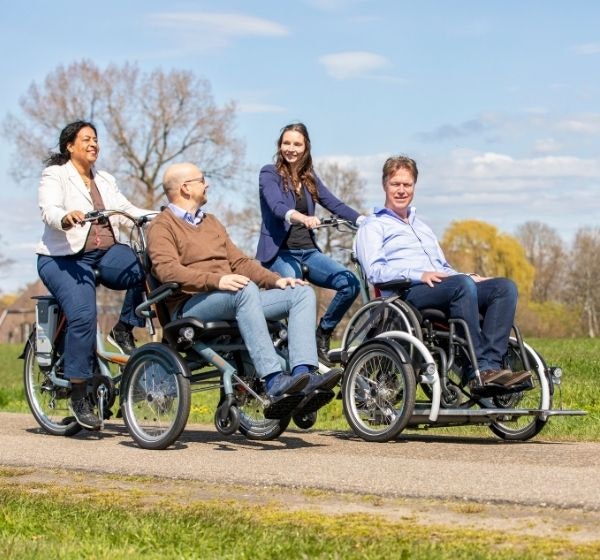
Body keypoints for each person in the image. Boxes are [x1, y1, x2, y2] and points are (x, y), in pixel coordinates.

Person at [146, 162, 341, 419]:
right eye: (202, 179)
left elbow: (239, 262)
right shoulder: (162, 226)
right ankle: (272, 380)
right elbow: (167, 271)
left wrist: (276, 280)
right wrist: (216, 281)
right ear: (185, 188)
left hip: (234, 297)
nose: (207, 184)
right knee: (243, 288)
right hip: (191, 306)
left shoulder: (212, 222)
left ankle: (303, 375)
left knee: (301, 293)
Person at [355, 155, 531, 393]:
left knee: (504, 288)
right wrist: (419, 274)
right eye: (396, 184)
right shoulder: (373, 225)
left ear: (414, 187)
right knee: (461, 286)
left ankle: (491, 366)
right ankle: (475, 368)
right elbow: (375, 272)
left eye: (407, 185)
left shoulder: (422, 227)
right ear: (384, 184)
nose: (401, 190)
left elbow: (444, 268)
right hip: (406, 293)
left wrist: (469, 276)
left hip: (442, 286)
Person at [36, 120, 152, 430]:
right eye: (86, 139)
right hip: (64, 259)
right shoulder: (55, 175)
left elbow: (127, 210)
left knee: (146, 266)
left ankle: (125, 327)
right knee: (84, 316)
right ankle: (78, 394)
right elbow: (48, 208)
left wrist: (159, 217)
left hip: (105, 254)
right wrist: (65, 216)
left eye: (96, 139)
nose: (93, 144)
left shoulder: (105, 179)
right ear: (69, 146)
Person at [256, 122, 364, 365]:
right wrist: (301, 217)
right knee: (297, 292)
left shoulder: (309, 178)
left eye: (297, 144)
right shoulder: (268, 174)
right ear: (279, 145)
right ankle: (296, 357)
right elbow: (277, 206)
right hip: (280, 253)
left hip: (308, 251)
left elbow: (334, 204)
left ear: (305, 148)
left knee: (350, 283)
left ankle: (323, 333)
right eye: (286, 143)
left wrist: (364, 220)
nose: (291, 149)